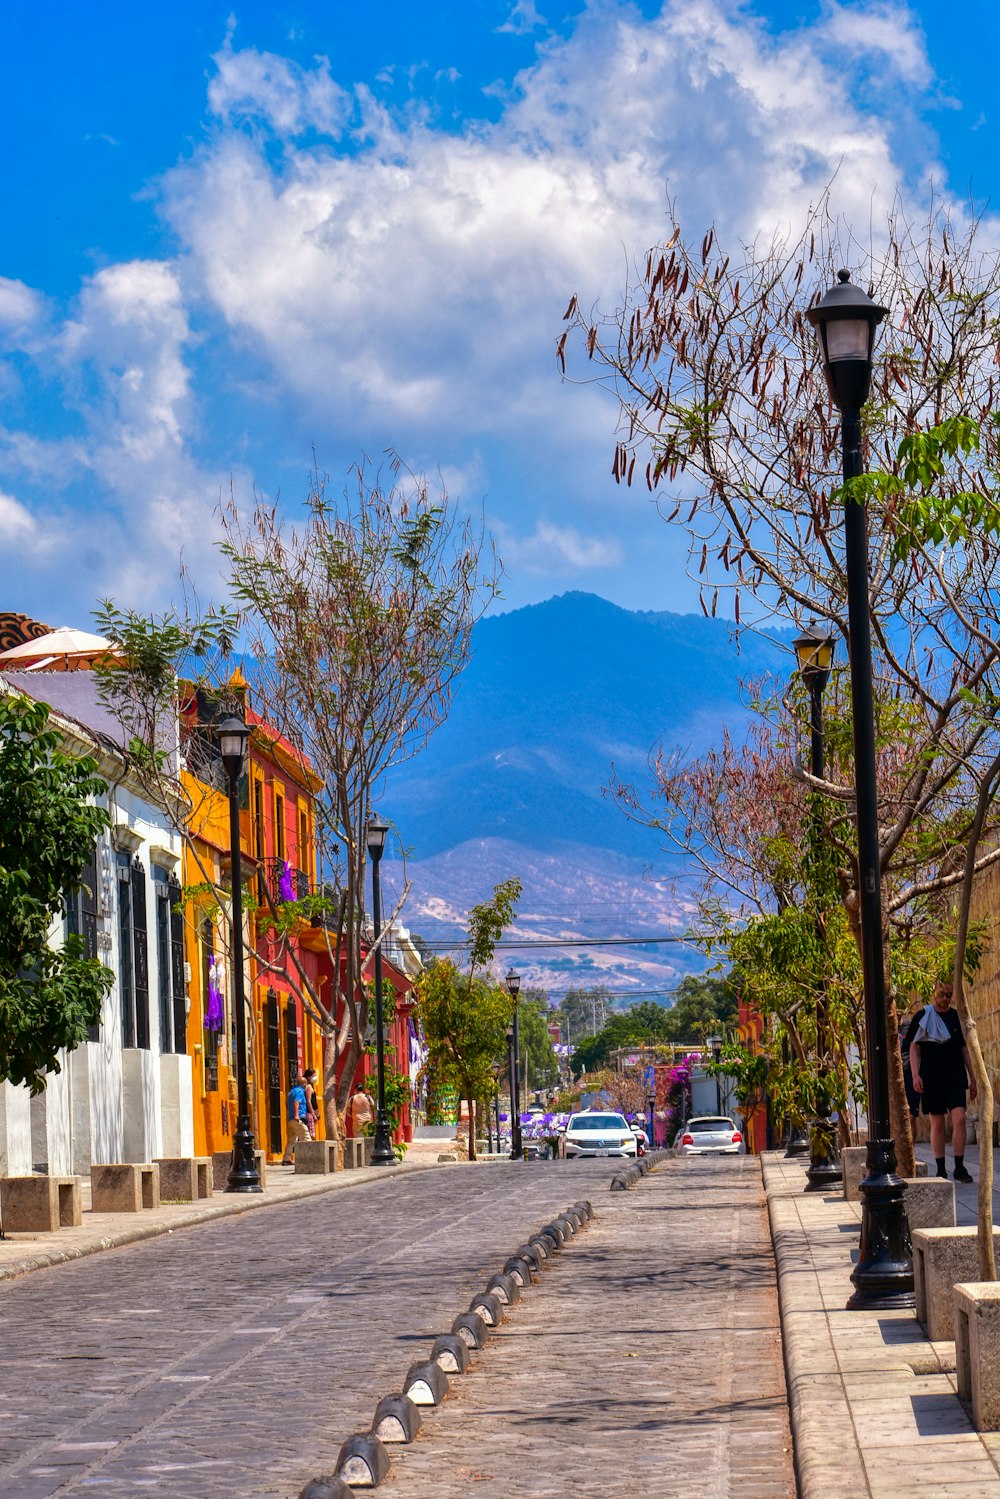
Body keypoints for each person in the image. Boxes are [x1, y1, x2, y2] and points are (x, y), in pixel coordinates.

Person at [906, 983, 978, 1183]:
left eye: (948, 994)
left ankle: (960, 1166)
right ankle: (940, 1169)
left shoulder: (956, 1016)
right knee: (937, 1123)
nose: (945, 998)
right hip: (931, 1078)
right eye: (941, 994)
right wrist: (915, 1075)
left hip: (955, 1076)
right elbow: (914, 1049)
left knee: (960, 1119)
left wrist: (973, 1078)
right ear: (933, 993)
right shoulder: (923, 1017)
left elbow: (964, 1049)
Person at [281, 1074, 310, 1164]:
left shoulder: (291, 1092)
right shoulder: (300, 1092)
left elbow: (286, 1104)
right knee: (306, 1138)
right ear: (304, 1084)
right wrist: (297, 1115)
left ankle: (286, 1159)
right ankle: (310, 1160)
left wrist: (291, 1114)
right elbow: (296, 1102)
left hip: (290, 1119)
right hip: (297, 1119)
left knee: (292, 1140)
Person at [304, 1068, 320, 1140]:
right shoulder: (309, 1086)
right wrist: (313, 1114)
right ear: (308, 1077)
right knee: (311, 1135)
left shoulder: (311, 1086)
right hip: (309, 1113)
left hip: (311, 1112)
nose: (315, 1078)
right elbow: (308, 1101)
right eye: (313, 1076)